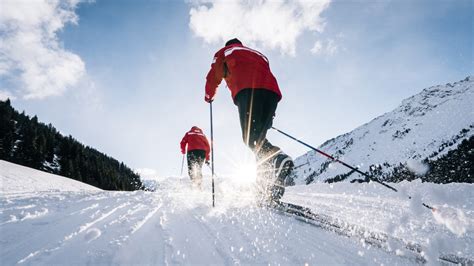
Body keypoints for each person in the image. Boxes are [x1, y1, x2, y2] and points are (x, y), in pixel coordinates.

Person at [204, 38, 294, 203]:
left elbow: (214, 75)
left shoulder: (224, 52)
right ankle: (265, 187)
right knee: (258, 142)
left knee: (250, 138)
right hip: (272, 93)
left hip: (248, 90)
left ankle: (278, 158)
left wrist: (209, 95)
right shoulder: (257, 53)